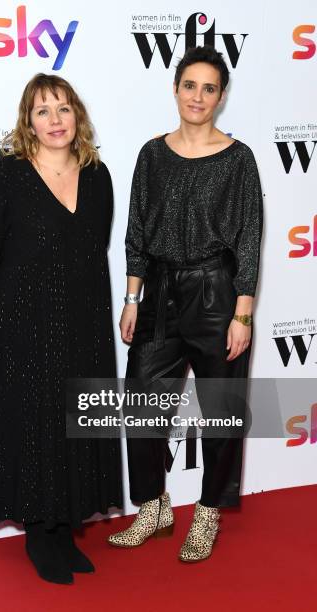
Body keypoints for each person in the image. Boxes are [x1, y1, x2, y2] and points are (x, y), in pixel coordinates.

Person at [0, 73, 122, 584]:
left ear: (78, 116)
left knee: (74, 421)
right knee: (33, 425)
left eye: (63, 109)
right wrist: (11, 301)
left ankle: (64, 529)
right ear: (27, 122)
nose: (55, 120)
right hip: (23, 326)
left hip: (84, 324)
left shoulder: (99, 177)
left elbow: (93, 245)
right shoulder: (5, 178)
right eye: (42, 111)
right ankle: (39, 535)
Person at [107, 45, 263, 562]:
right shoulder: (152, 153)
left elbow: (249, 238)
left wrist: (243, 313)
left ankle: (209, 512)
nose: (198, 96)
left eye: (209, 87)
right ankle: (153, 505)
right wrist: (133, 298)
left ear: (221, 97)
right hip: (159, 289)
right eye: (190, 85)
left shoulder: (239, 158)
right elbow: (135, 230)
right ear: (175, 89)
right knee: (142, 402)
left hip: (217, 290)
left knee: (220, 413)